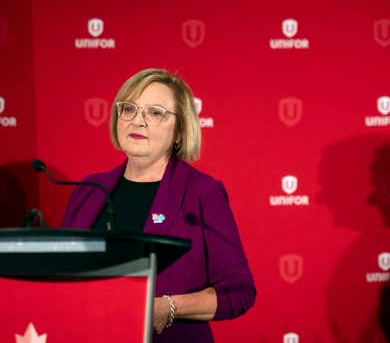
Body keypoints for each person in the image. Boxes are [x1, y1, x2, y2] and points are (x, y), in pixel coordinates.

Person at [62, 68, 256, 342]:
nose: (137, 121)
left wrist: (169, 307)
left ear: (179, 131)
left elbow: (239, 292)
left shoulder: (203, 192)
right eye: (128, 108)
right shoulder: (89, 190)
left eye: (155, 113)